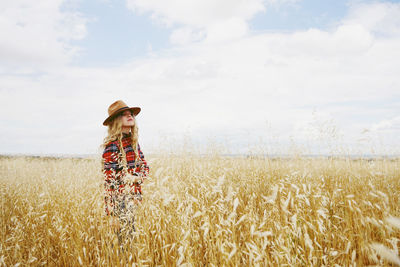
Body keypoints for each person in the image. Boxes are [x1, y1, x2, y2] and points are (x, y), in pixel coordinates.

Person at [101, 100, 149, 241]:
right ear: (116, 120)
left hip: (135, 200)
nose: (130, 116)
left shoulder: (133, 143)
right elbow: (109, 184)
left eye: (131, 114)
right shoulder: (112, 147)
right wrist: (113, 215)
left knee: (134, 243)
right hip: (121, 204)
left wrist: (135, 178)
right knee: (124, 246)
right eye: (124, 114)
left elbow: (145, 168)